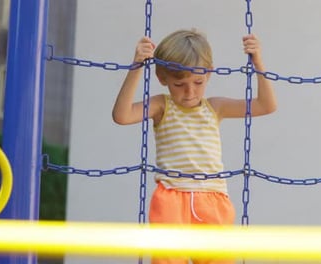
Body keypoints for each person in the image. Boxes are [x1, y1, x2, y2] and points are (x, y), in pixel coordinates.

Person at [112, 28, 277, 264]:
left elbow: (265, 105)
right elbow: (122, 115)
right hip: (172, 197)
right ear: (163, 79)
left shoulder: (215, 107)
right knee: (168, 259)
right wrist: (137, 66)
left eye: (198, 82)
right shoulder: (162, 106)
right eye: (179, 84)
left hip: (213, 198)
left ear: (208, 74)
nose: (190, 92)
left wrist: (258, 62)